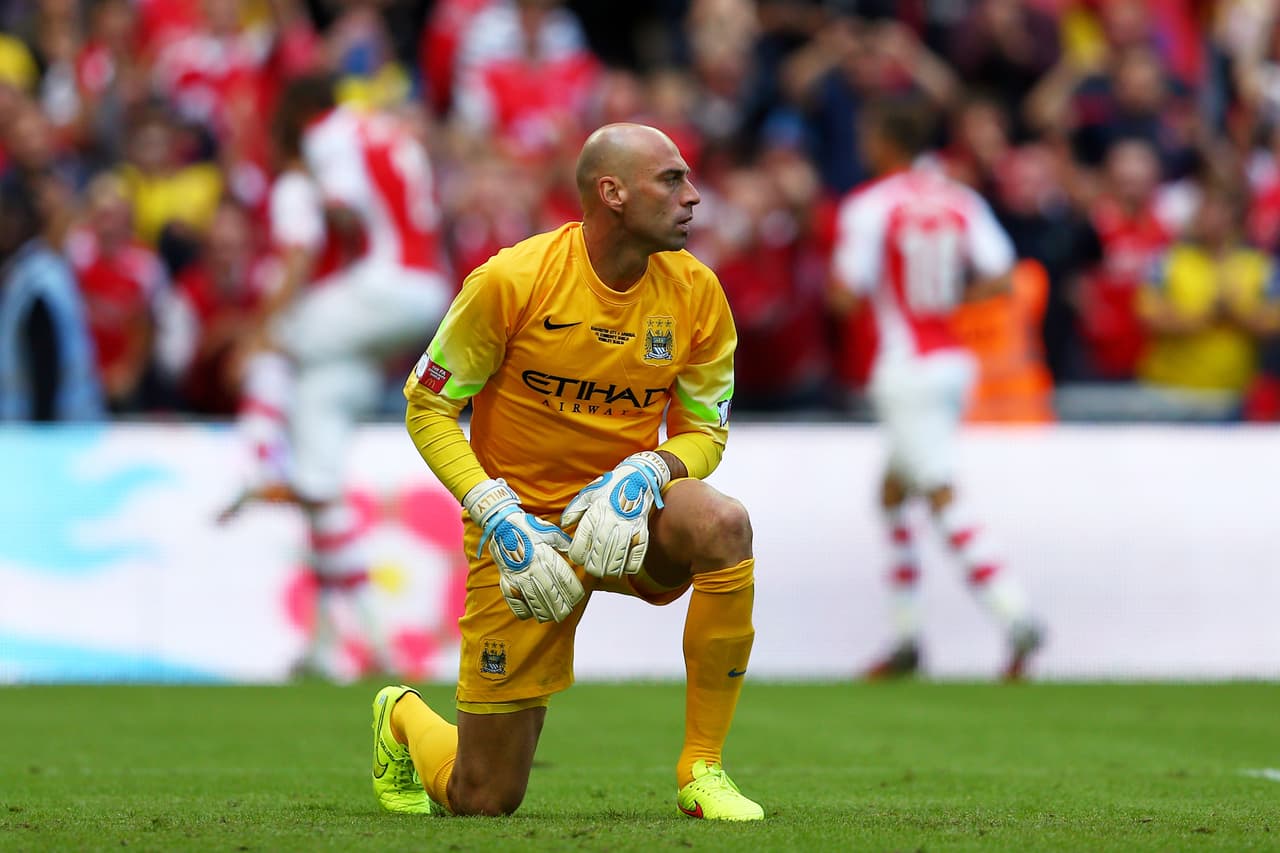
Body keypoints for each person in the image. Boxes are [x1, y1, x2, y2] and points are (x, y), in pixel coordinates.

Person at [379, 123, 762, 821]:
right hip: (521, 535)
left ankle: (702, 767)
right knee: (484, 797)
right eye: (672, 180)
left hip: (625, 517)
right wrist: (494, 511)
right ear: (612, 192)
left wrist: (650, 468)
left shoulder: (698, 294)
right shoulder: (510, 280)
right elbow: (429, 405)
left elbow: (706, 430)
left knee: (723, 523)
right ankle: (401, 714)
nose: (694, 197)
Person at [222, 73, 453, 682]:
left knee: (276, 346)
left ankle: (256, 460)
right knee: (320, 478)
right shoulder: (381, 124)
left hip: (384, 285)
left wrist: (259, 328)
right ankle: (341, 645)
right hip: (415, 288)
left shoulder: (322, 144)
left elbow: (337, 219)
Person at [830, 99, 1043, 681]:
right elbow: (1002, 273)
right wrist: (948, 298)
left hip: (907, 367)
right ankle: (906, 640)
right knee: (895, 493)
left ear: (884, 142)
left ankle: (1016, 615)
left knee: (941, 492)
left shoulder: (871, 206)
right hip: (951, 357)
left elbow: (847, 291)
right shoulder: (959, 198)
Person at [0, 174, 104, 421]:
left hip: (46, 433)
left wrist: (41, 435)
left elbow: (45, 369)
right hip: (58, 429)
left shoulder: (36, 281)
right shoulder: (37, 271)